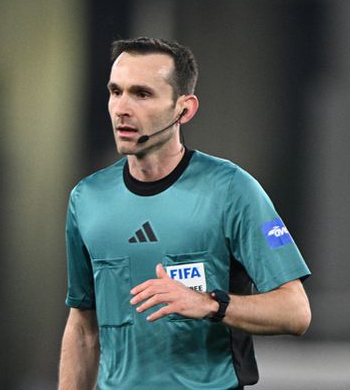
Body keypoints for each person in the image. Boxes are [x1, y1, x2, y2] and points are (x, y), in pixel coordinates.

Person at [58, 37, 311, 390]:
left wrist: (210, 305)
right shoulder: (87, 198)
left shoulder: (231, 189)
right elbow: (84, 327)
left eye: (142, 94)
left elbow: (295, 312)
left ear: (184, 109)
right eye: (116, 92)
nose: (121, 108)